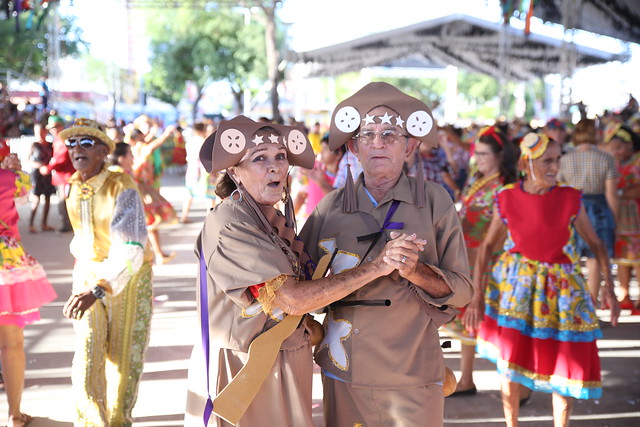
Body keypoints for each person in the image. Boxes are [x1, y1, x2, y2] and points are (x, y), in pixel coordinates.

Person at [184, 115, 401, 426]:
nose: (276, 167)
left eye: (280, 157)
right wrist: (378, 266)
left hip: (281, 361)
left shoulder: (267, 215)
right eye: (260, 159)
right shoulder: (231, 221)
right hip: (246, 368)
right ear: (234, 171)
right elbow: (291, 299)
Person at [299, 82, 473, 426]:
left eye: (390, 135)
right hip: (345, 367)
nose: (378, 143)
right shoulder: (330, 208)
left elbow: (464, 290)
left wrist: (415, 270)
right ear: (353, 146)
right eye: (367, 135)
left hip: (414, 370)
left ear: (410, 145)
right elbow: (302, 288)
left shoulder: (435, 201)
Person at [464, 132, 621, 427]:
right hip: (517, 289)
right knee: (510, 364)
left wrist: (609, 289)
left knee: (563, 364)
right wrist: (477, 296)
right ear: (527, 162)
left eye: (557, 160)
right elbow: (486, 248)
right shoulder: (507, 196)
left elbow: (597, 245)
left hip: (561, 293)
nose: (554, 167)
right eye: (547, 160)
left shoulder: (570, 197)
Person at [59, 119, 153, 426]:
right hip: (87, 276)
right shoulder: (73, 185)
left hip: (127, 277)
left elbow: (131, 247)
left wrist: (99, 287)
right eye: (71, 143)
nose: (76, 150)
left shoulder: (121, 185)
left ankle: (117, 421)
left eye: (86, 143)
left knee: (124, 362)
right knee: (87, 352)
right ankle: (91, 422)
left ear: (104, 150)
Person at [443, 125, 518, 396]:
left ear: (500, 156)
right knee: (468, 319)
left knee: (498, 320)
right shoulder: (481, 180)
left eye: (485, 154)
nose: (480, 159)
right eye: (479, 154)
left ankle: (518, 383)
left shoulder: (504, 188)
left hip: (491, 262)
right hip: (469, 256)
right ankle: (467, 378)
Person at [0, 150, 57, 427]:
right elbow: (23, 198)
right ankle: (14, 415)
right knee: (12, 344)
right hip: (7, 266)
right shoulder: (12, 178)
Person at [558, 118, 619, 304]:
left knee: (572, 260)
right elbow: (611, 195)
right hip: (599, 210)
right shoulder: (606, 159)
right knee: (595, 260)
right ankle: (591, 308)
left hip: (571, 209)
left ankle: (574, 307)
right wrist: (614, 220)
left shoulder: (564, 159)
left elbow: (559, 190)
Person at [129, 127, 178, 264]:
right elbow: (152, 146)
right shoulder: (141, 151)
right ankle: (154, 255)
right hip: (143, 192)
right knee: (150, 224)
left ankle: (155, 254)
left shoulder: (133, 151)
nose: (143, 141)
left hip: (143, 190)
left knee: (149, 224)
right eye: (140, 138)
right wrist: (165, 134)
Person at [607, 124, 640, 312]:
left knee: (638, 258)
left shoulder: (638, 161)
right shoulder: (615, 163)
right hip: (619, 216)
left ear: (629, 145)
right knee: (620, 258)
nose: (616, 152)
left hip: (636, 215)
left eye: (619, 147)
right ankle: (624, 293)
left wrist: (619, 192)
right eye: (613, 148)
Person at [39, 115, 75, 233]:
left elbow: (62, 159)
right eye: (51, 128)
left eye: (55, 127)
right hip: (62, 176)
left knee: (64, 202)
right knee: (63, 202)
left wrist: (48, 168)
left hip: (66, 177)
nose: (53, 130)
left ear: (61, 126)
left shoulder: (63, 139)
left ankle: (67, 226)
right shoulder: (59, 139)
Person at [179, 121, 216, 223]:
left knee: (189, 193)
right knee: (210, 196)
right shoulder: (203, 142)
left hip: (192, 171)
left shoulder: (190, 141)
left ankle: (184, 216)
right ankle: (210, 219)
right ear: (202, 131)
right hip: (205, 171)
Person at [27, 123, 56, 233]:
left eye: (42, 132)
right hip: (37, 174)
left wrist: (49, 167)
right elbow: (27, 160)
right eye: (37, 132)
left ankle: (44, 223)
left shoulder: (50, 145)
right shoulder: (34, 145)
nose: (40, 134)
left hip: (48, 174)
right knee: (36, 199)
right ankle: (31, 224)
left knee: (48, 198)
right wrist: (39, 166)